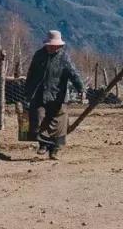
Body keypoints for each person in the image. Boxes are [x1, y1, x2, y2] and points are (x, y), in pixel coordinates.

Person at [24, 30, 85, 160]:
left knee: (58, 123)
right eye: (50, 45)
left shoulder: (64, 58)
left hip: (58, 95)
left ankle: (55, 150)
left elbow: (73, 74)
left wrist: (81, 89)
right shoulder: (39, 55)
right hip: (40, 93)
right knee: (38, 118)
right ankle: (43, 145)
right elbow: (31, 74)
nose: (52, 47)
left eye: (55, 45)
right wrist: (27, 92)